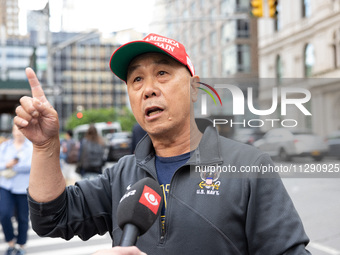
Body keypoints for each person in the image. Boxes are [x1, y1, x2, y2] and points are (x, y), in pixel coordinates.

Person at [14, 33, 311, 254]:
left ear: (195, 88)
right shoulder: (122, 174)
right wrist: (45, 147)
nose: (148, 90)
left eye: (163, 73)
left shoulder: (250, 168)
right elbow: (53, 219)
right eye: (136, 80)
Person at [0, 124, 33, 255]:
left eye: (21, 130)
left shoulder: (30, 147)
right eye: (16, 130)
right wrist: (7, 165)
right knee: (4, 214)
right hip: (5, 186)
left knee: (23, 218)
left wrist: (12, 167)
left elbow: (31, 166)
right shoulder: (4, 146)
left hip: (22, 187)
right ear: (12, 131)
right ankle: (10, 243)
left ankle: (21, 245)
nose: (18, 133)